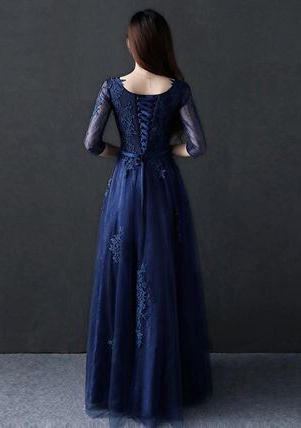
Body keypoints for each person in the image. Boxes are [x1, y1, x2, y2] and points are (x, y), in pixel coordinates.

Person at [83, 8, 213, 428]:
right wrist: (162, 152)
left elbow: (91, 143)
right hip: (161, 188)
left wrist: (124, 155)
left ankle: (122, 384)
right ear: (162, 44)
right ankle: (159, 384)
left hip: (125, 187)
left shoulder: (112, 88)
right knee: (159, 280)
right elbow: (196, 146)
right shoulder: (178, 90)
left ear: (132, 43)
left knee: (122, 278)